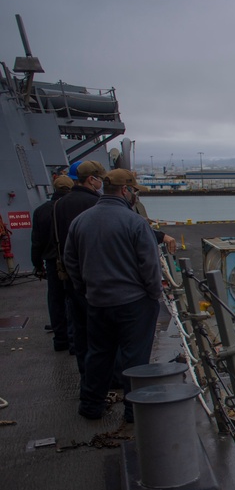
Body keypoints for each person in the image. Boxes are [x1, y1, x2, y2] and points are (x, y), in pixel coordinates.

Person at [63, 168, 162, 421]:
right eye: (134, 191)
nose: (135, 196)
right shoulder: (135, 222)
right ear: (125, 190)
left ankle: (91, 406)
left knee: (98, 354)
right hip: (134, 303)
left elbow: (70, 261)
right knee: (135, 358)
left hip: (97, 302)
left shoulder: (81, 220)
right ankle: (133, 411)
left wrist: (85, 289)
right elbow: (150, 266)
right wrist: (154, 294)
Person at [53, 160, 106, 386]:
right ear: (92, 179)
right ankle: (108, 381)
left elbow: (63, 245)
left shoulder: (59, 204)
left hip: (71, 276)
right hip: (97, 279)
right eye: (99, 178)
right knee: (103, 336)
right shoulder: (96, 204)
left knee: (81, 331)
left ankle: (88, 380)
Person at [30, 174, 75, 351]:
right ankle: (73, 341)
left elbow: (36, 242)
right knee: (72, 299)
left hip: (50, 261)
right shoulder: (71, 209)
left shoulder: (40, 211)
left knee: (55, 300)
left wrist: (37, 264)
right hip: (70, 260)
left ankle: (60, 340)